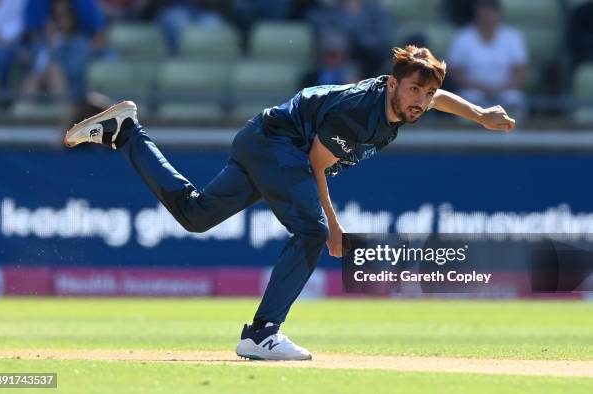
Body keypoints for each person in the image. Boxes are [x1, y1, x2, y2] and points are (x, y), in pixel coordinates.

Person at [63, 45, 515, 361]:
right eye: (415, 90)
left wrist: (479, 115)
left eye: (427, 92)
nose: (422, 101)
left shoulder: (404, 99)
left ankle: (127, 133)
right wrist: (334, 229)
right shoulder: (360, 113)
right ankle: (262, 334)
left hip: (263, 139)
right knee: (313, 232)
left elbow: (440, 101)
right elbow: (316, 167)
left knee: (196, 215)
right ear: (395, 84)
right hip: (277, 145)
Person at [446, 0, 528, 119]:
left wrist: (502, 88)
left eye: (490, 12)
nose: (487, 17)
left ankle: (510, 134)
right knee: (463, 101)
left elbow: (521, 70)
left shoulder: (513, 36)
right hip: (473, 91)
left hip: (505, 91)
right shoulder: (463, 36)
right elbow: (454, 69)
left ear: (499, 14)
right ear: (477, 14)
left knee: (515, 100)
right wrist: (477, 86)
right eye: (483, 12)